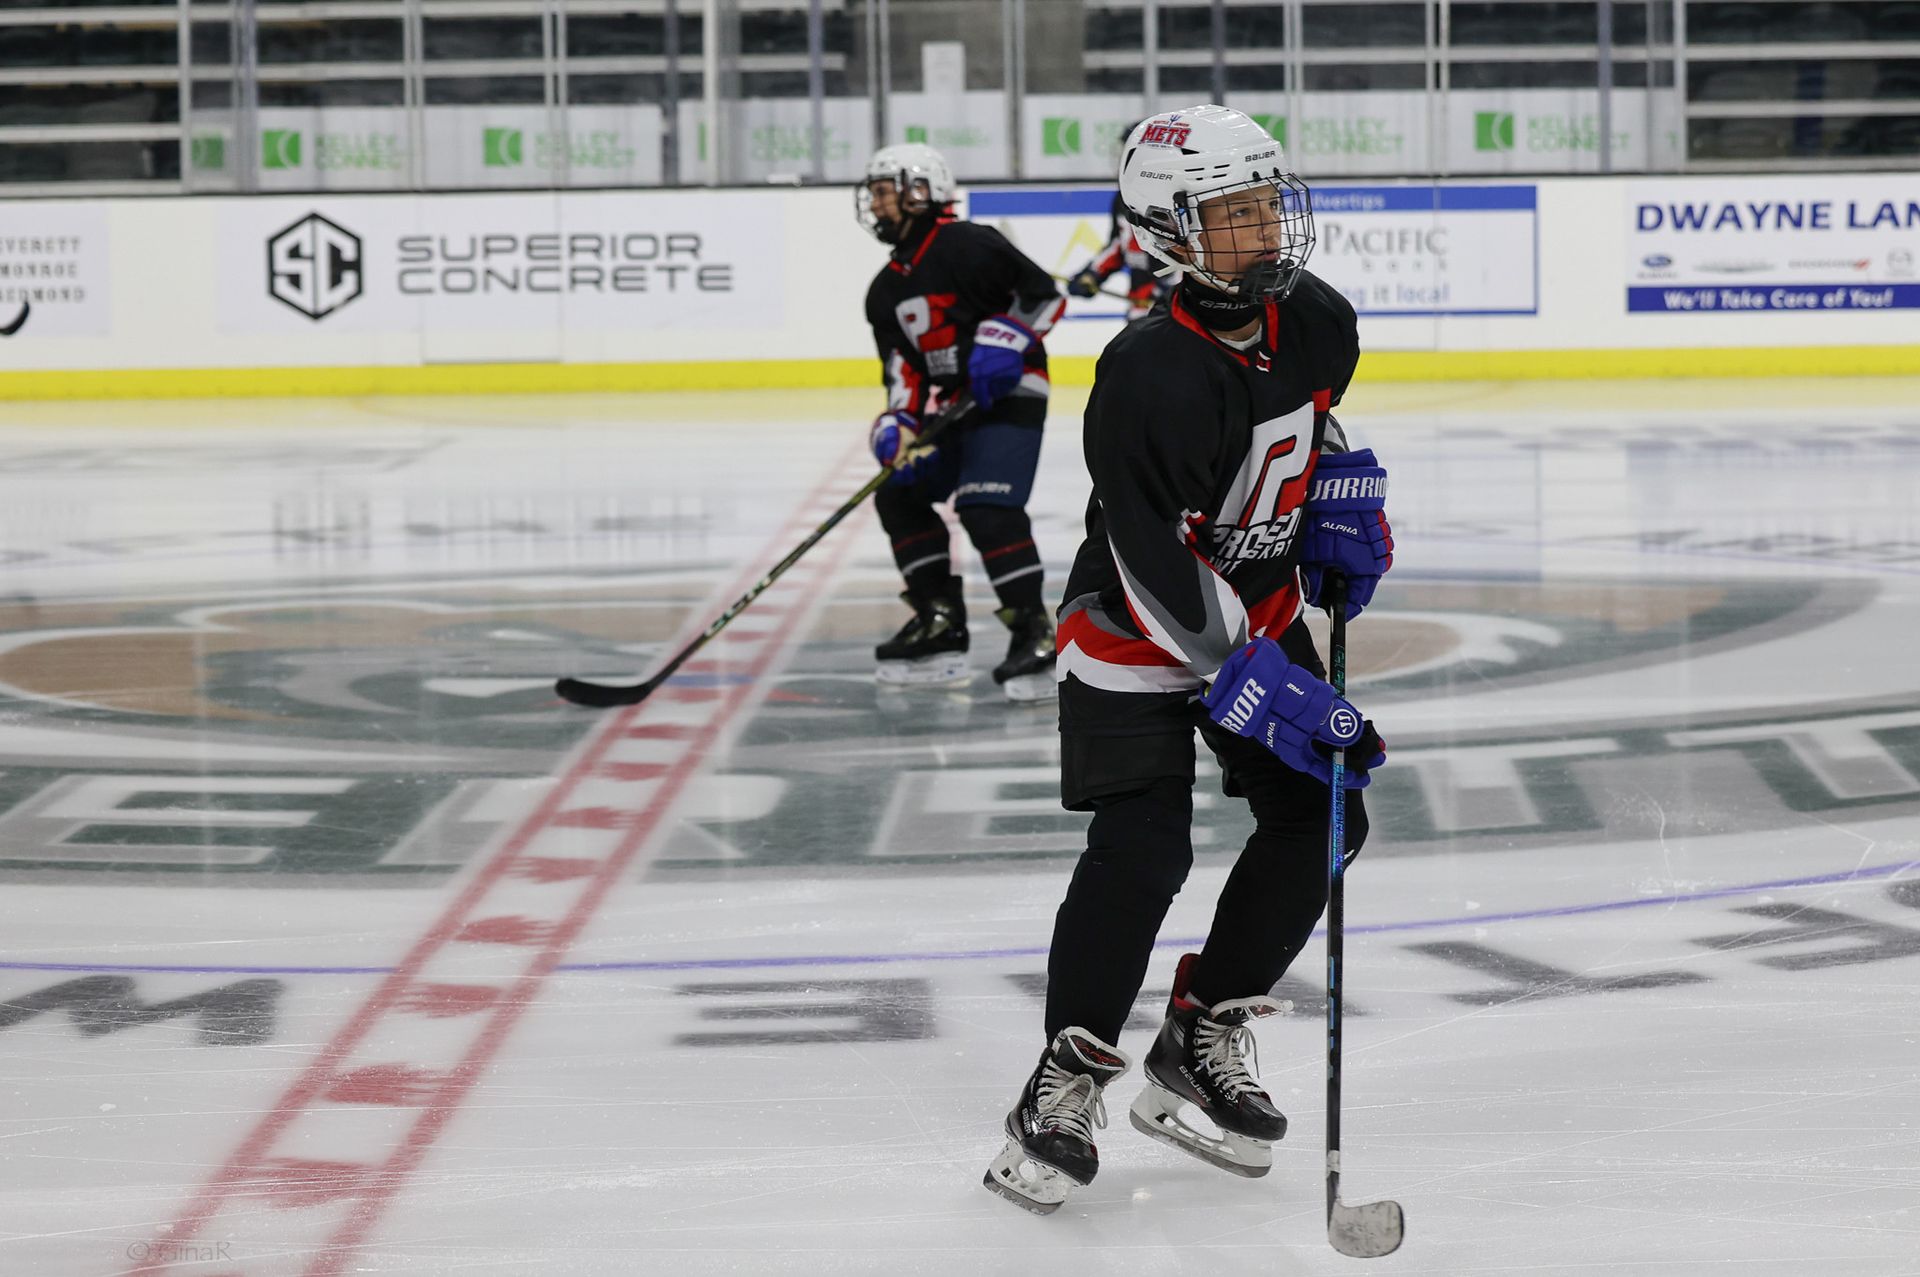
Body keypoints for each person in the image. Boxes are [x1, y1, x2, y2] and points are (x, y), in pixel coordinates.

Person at [983, 106, 1396, 1214]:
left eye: (1269, 203)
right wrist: (1260, 683)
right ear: (1169, 232)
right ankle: (1062, 1079)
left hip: (1250, 616)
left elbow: (1307, 430)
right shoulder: (1147, 373)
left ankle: (1201, 1028)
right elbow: (1152, 562)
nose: (1264, 229)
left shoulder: (1317, 319)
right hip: (1137, 632)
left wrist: (1340, 505)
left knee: (1327, 814)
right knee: (1143, 846)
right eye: (1232, 213)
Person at [857, 143, 1066, 703]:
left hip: (1010, 393)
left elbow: (1043, 296)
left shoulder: (969, 244)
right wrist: (897, 422)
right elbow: (905, 372)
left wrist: (1007, 338)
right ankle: (939, 620)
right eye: (874, 194)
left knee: (985, 506)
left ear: (919, 191)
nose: (875, 205)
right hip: (953, 406)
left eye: (883, 192)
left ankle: (1034, 632)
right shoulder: (884, 291)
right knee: (897, 495)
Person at [1063, 125, 1177, 321]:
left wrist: (1168, 291)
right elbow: (1119, 244)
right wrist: (1092, 274)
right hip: (1140, 309)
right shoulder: (1122, 198)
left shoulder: (1171, 198)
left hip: (1174, 312)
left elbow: (1188, 254)